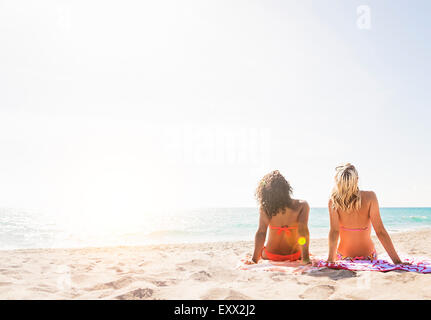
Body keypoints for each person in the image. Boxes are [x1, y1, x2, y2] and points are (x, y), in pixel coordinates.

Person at [327, 163, 407, 264]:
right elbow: (380, 232)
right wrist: (397, 261)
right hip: (369, 257)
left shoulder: (334, 201)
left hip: (343, 256)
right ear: (357, 179)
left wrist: (330, 260)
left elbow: (334, 232)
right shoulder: (370, 197)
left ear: (338, 181)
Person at [246, 170, 310, 264]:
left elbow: (261, 233)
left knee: (263, 248)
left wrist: (254, 259)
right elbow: (303, 232)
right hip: (294, 255)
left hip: (270, 255)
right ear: (286, 188)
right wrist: (305, 258)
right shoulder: (302, 205)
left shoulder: (265, 208)